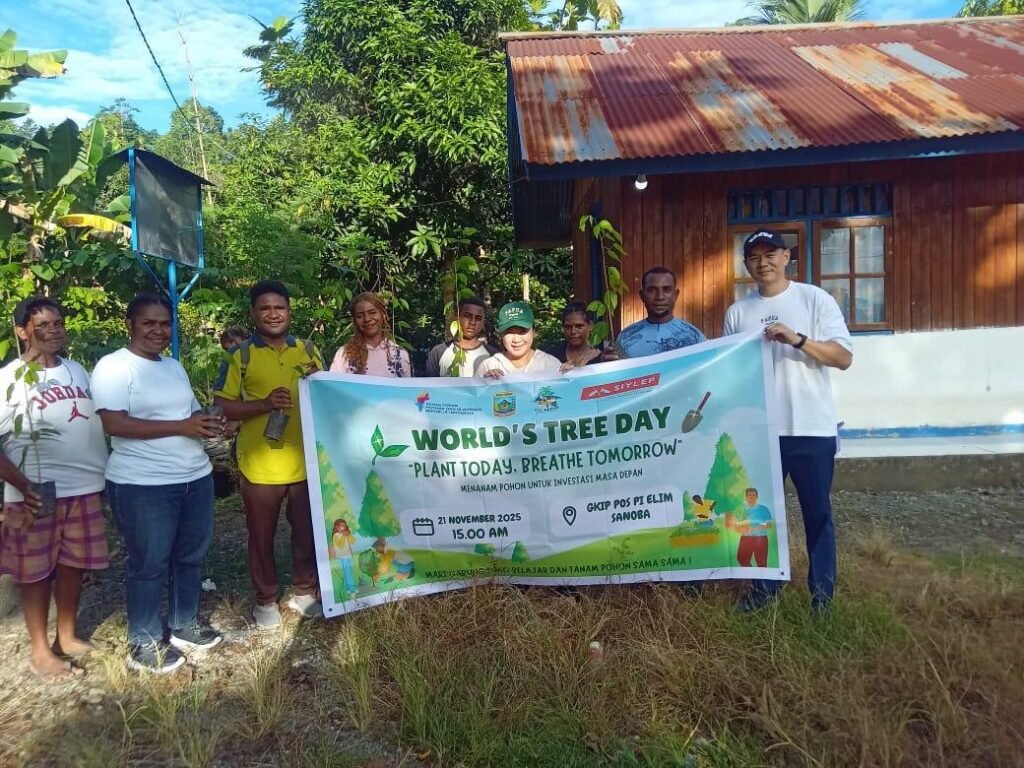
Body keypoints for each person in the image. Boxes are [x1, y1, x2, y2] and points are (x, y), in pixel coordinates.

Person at [92, 294, 224, 673]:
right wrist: (183, 426)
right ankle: (144, 641)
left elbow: (190, 415)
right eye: (148, 322)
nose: (158, 330)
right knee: (149, 563)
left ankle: (184, 623)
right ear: (130, 325)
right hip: (143, 484)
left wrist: (209, 424)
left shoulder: (174, 367)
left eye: (165, 323)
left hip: (194, 477)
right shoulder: (114, 366)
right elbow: (114, 423)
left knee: (190, 556)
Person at [724, 229, 853, 614]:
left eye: (770, 254)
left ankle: (822, 597)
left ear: (786, 257)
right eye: (754, 256)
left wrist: (797, 339)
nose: (763, 263)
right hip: (761, 433)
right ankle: (764, 591)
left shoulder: (814, 299)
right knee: (760, 517)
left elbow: (843, 357)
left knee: (818, 514)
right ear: (746, 264)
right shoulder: (737, 313)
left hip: (810, 428)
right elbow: (730, 373)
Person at [0, 297, 109, 680]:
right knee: (34, 572)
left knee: (72, 564)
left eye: (58, 323)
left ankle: (67, 636)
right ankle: (40, 652)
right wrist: (22, 484)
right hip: (35, 493)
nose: (54, 330)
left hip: (84, 487)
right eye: (42, 325)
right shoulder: (9, 378)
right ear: (22, 332)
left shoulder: (76, 370)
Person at [213, 280, 324, 629]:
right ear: (254, 313)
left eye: (280, 307)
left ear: (289, 311)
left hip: (305, 461)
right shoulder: (240, 356)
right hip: (260, 465)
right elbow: (221, 405)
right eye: (265, 308)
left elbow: (328, 395)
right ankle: (265, 598)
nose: (273, 314)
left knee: (306, 532)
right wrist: (264, 404)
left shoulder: (308, 350)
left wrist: (320, 383)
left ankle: (305, 591)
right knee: (261, 536)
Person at [616, 267, 705, 358]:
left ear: (675, 295)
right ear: (642, 295)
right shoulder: (625, 338)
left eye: (666, 290)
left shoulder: (693, 336)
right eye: (652, 290)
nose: (659, 297)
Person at [330, 292, 410, 377]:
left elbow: (405, 385)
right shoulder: (344, 355)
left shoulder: (400, 354)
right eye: (360, 316)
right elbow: (333, 384)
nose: (367, 319)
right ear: (355, 321)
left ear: (383, 315)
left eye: (372, 312)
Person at [477, 302, 561, 379]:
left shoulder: (550, 364)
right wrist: (485, 384)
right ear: (501, 335)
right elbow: (475, 390)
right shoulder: (488, 366)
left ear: (533, 332)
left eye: (522, 332)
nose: (516, 340)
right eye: (509, 332)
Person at [424, 296, 496, 377]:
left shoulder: (493, 355)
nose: (472, 322)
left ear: (483, 322)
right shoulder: (438, 353)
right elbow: (431, 384)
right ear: (457, 316)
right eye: (467, 316)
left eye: (478, 318)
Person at [548, 301, 601, 372]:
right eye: (568, 327)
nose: (573, 331)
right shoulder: (552, 356)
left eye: (579, 326)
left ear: (590, 326)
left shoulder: (600, 357)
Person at [735, 488, 773, 568]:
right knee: (742, 559)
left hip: (761, 539)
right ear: (746, 497)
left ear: (757, 497)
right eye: (749, 495)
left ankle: (761, 576)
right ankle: (750, 574)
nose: (751, 497)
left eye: (753, 495)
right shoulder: (741, 509)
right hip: (745, 538)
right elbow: (737, 524)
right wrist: (741, 529)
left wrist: (755, 528)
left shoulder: (764, 509)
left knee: (761, 563)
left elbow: (769, 524)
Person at [330, 518, 356, 595]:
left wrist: (349, 535)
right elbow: (340, 545)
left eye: (344, 525)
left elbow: (353, 541)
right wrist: (343, 536)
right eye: (341, 525)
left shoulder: (346, 534)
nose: (343, 527)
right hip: (342, 556)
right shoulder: (336, 535)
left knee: (347, 572)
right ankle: (352, 590)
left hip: (347, 556)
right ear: (337, 527)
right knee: (348, 573)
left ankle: (347, 589)